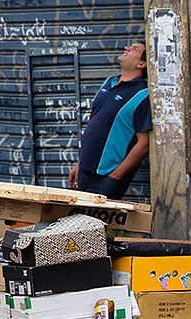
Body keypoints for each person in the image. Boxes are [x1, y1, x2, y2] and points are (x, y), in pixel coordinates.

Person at [68, 42, 152, 200]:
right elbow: (95, 125)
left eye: (135, 49)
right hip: (84, 172)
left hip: (106, 178)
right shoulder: (109, 82)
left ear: (142, 64)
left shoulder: (142, 94)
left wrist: (116, 176)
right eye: (129, 46)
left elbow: (143, 144)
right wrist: (80, 164)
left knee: (96, 224)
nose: (126, 48)